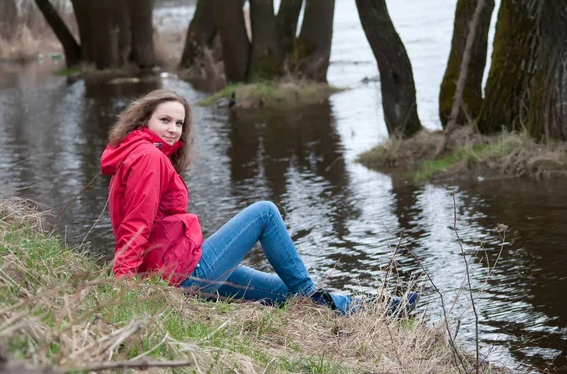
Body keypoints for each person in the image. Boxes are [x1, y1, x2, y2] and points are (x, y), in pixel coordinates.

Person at [100, 89, 418, 316]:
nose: (173, 129)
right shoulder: (149, 158)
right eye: (165, 120)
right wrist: (123, 291)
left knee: (281, 292)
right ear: (144, 121)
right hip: (182, 273)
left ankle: (374, 310)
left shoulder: (135, 156)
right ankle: (313, 298)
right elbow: (135, 226)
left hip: (175, 268)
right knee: (264, 212)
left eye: (179, 123)